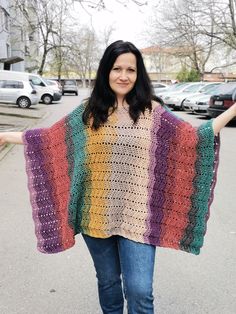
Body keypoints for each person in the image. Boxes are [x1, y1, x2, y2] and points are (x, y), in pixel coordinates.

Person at [0, 40, 236, 314]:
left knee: (140, 291)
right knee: (109, 283)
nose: (124, 76)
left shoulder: (153, 112)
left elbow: (194, 139)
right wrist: (5, 135)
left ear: (138, 75)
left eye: (131, 70)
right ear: (106, 72)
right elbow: (50, 139)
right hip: (96, 215)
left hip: (139, 217)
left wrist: (232, 111)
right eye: (117, 69)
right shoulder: (89, 113)